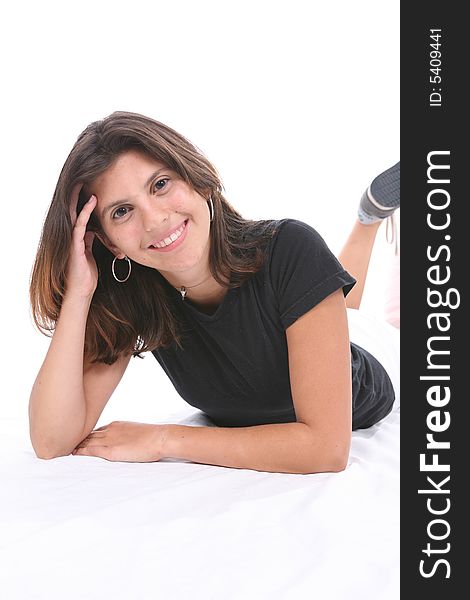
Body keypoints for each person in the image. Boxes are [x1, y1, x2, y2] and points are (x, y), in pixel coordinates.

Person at [28, 111, 400, 475]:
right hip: (305, 308)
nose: (155, 219)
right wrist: (78, 295)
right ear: (110, 243)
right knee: (333, 301)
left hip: (371, 357)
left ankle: (366, 220)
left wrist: (163, 440)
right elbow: (51, 441)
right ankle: (369, 216)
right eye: (123, 211)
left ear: (199, 180)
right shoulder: (137, 296)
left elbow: (325, 449)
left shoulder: (291, 247)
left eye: (160, 184)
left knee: (360, 317)